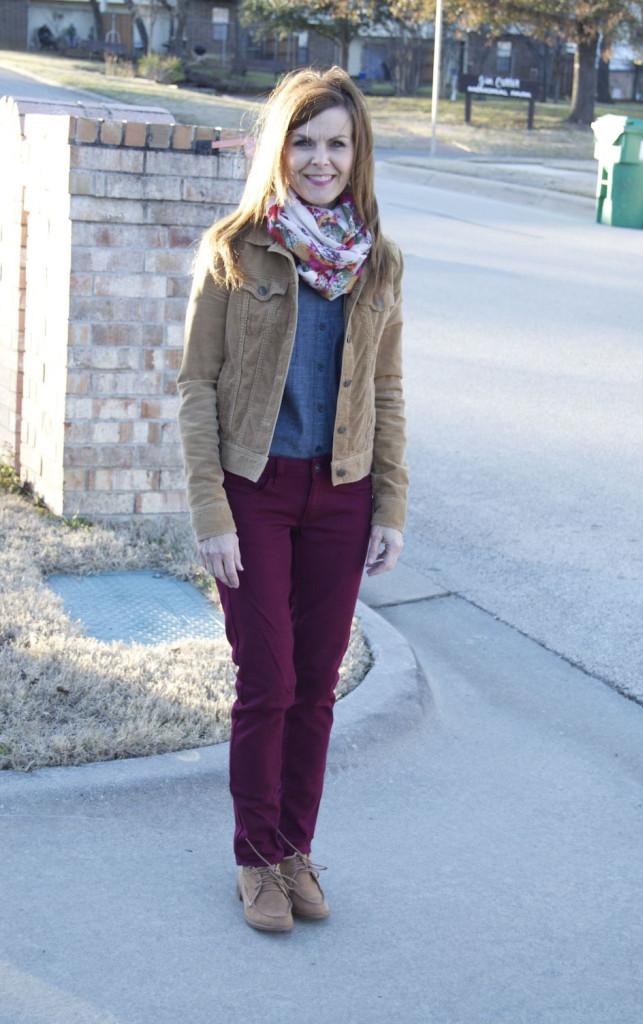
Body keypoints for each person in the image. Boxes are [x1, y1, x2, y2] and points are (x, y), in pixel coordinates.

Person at [177, 66, 408, 933]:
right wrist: (211, 512)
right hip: (256, 492)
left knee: (314, 688)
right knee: (267, 682)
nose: (320, 159)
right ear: (278, 149)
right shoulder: (234, 249)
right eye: (303, 142)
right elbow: (197, 386)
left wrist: (389, 505)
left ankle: (293, 851)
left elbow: (386, 391)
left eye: (336, 143)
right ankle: (254, 859)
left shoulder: (377, 261)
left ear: (358, 153)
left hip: (341, 496)